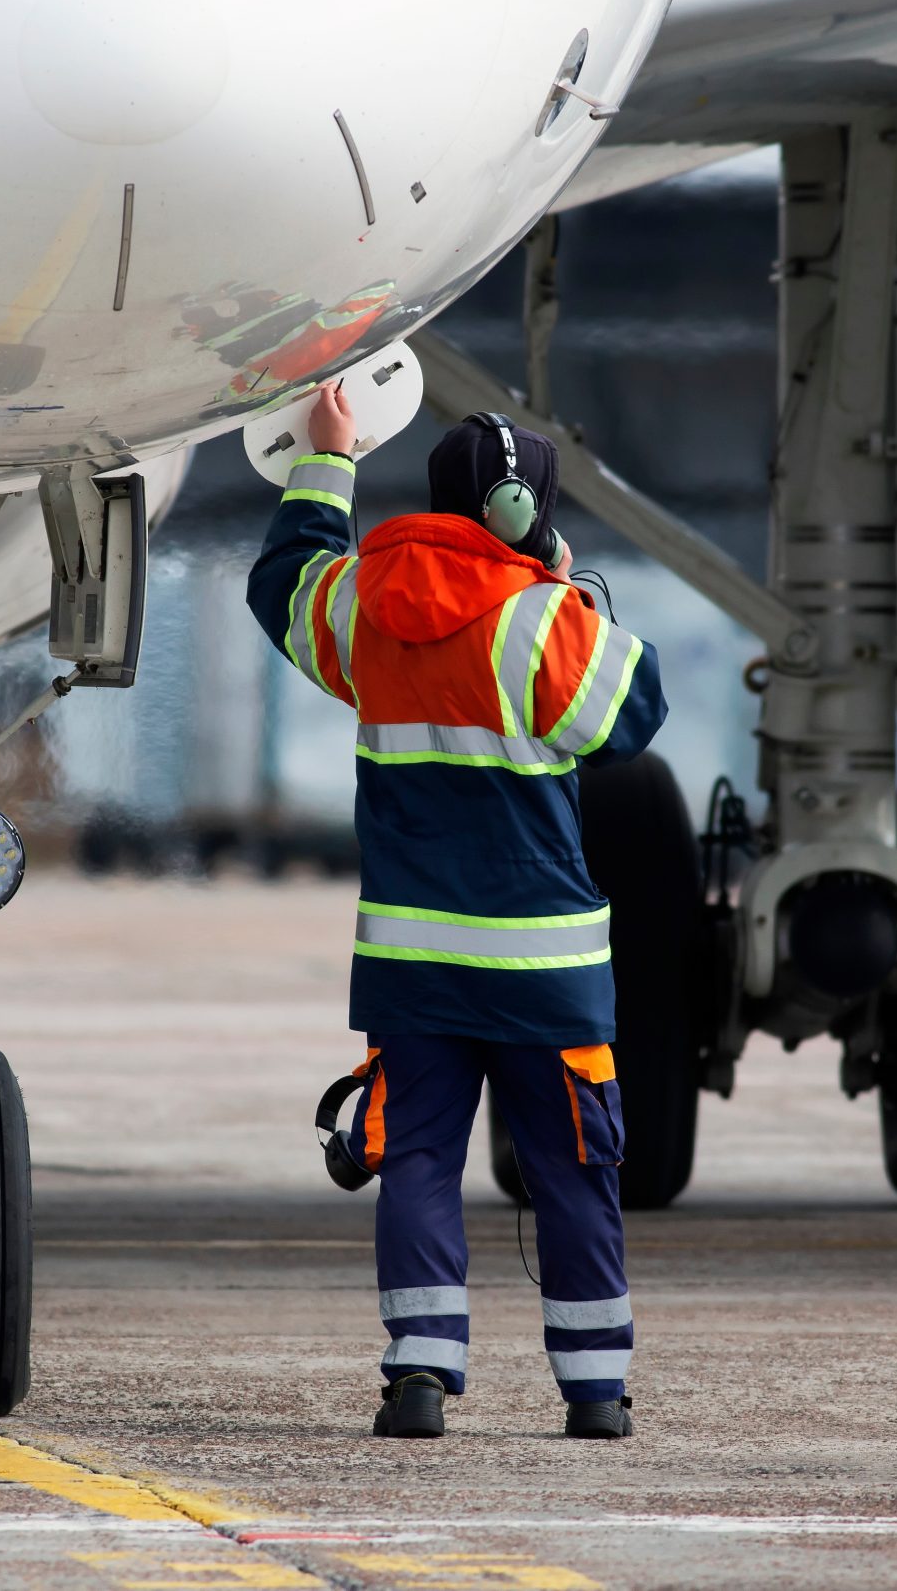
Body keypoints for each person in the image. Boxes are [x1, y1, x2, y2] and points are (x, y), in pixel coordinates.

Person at [246, 379, 668, 1440]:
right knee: (576, 1172)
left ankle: (419, 1377)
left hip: (413, 966)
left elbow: (280, 581)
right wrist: (566, 595)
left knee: (419, 1162)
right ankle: (595, 1392)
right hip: (547, 969)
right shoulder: (542, 625)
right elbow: (636, 714)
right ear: (526, 514)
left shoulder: (361, 605)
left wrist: (326, 459)